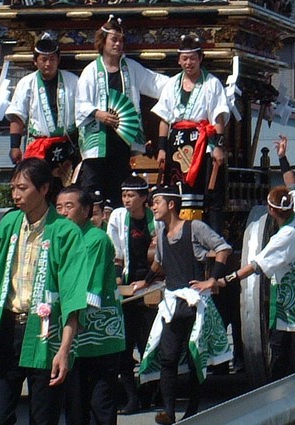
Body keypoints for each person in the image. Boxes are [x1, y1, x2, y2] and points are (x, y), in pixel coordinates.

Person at [0, 158, 88, 425]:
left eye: (22, 188)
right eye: (13, 188)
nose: (16, 195)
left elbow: (72, 295)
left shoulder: (65, 232)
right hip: (7, 327)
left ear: (44, 189)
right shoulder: (8, 224)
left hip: (46, 332)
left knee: (43, 416)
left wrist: (65, 349)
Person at [217, 134, 295, 379]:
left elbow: (254, 265)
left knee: (294, 353)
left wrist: (225, 280)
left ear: (272, 211)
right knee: (289, 349)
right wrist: (282, 156)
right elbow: (292, 184)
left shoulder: (283, 237)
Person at [134, 186, 232, 425]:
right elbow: (158, 263)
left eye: (157, 202)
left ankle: (193, 408)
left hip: (194, 301)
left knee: (193, 355)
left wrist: (211, 279)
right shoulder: (162, 233)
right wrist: (144, 282)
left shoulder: (194, 228)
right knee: (168, 357)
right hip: (172, 302)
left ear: (171, 204)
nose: (153, 206)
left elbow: (223, 248)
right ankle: (168, 411)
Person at [76, 16, 169, 207]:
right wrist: (98, 113)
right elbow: (80, 102)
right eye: (113, 40)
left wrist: (180, 83)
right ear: (103, 42)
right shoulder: (91, 71)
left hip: (122, 137)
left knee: (119, 184)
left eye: (120, 40)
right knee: (93, 186)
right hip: (98, 138)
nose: (118, 44)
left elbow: (155, 83)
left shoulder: (131, 68)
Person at [56, 186, 125, 425]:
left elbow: (88, 288)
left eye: (69, 206)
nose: (63, 212)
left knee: (100, 405)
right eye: (59, 207)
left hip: (99, 335)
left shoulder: (95, 239)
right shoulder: (62, 239)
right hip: (74, 337)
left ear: (85, 210)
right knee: (75, 406)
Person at [153, 35, 230, 225]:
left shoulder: (211, 83)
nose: (189, 63)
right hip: (177, 142)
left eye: (193, 58)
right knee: (177, 191)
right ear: (179, 60)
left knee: (207, 192)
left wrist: (218, 146)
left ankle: (208, 237)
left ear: (200, 59)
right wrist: (162, 148)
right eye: (185, 59)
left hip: (202, 142)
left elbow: (218, 117)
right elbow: (164, 118)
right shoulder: (172, 84)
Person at [107, 176, 157, 415]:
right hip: (128, 287)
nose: (126, 200)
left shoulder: (154, 218)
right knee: (123, 347)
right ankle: (131, 396)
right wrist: (117, 280)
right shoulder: (118, 217)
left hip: (152, 285)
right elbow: (116, 252)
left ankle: (150, 392)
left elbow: (161, 255)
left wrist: (147, 281)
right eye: (124, 195)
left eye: (131, 196)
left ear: (144, 198)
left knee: (149, 343)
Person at [6, 31, 78, 166]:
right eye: (43, 59)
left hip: (68, 145)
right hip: (39, 146)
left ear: (58, 60)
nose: (48, 64)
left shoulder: (73, 81)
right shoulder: (26, 83)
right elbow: (17, 116)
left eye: (52, 59)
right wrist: (14, 146)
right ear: (35, 61)